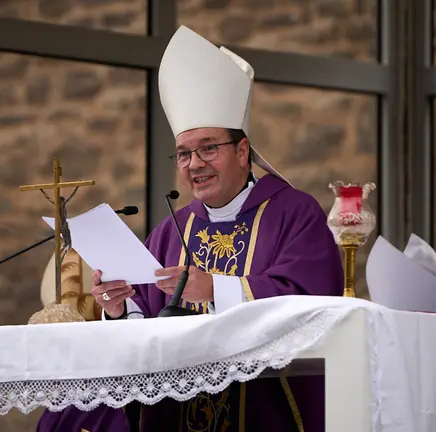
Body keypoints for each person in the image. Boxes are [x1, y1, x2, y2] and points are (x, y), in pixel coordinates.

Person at [90, 25, 344, 431]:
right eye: (184, 153)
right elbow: (145, 328)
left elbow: (310, 305)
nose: (194, 164)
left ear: (243, 151)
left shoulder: (296, 214)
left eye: (208, 147)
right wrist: (119, 309)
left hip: (266, 415)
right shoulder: (173, 229)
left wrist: (215, 289)